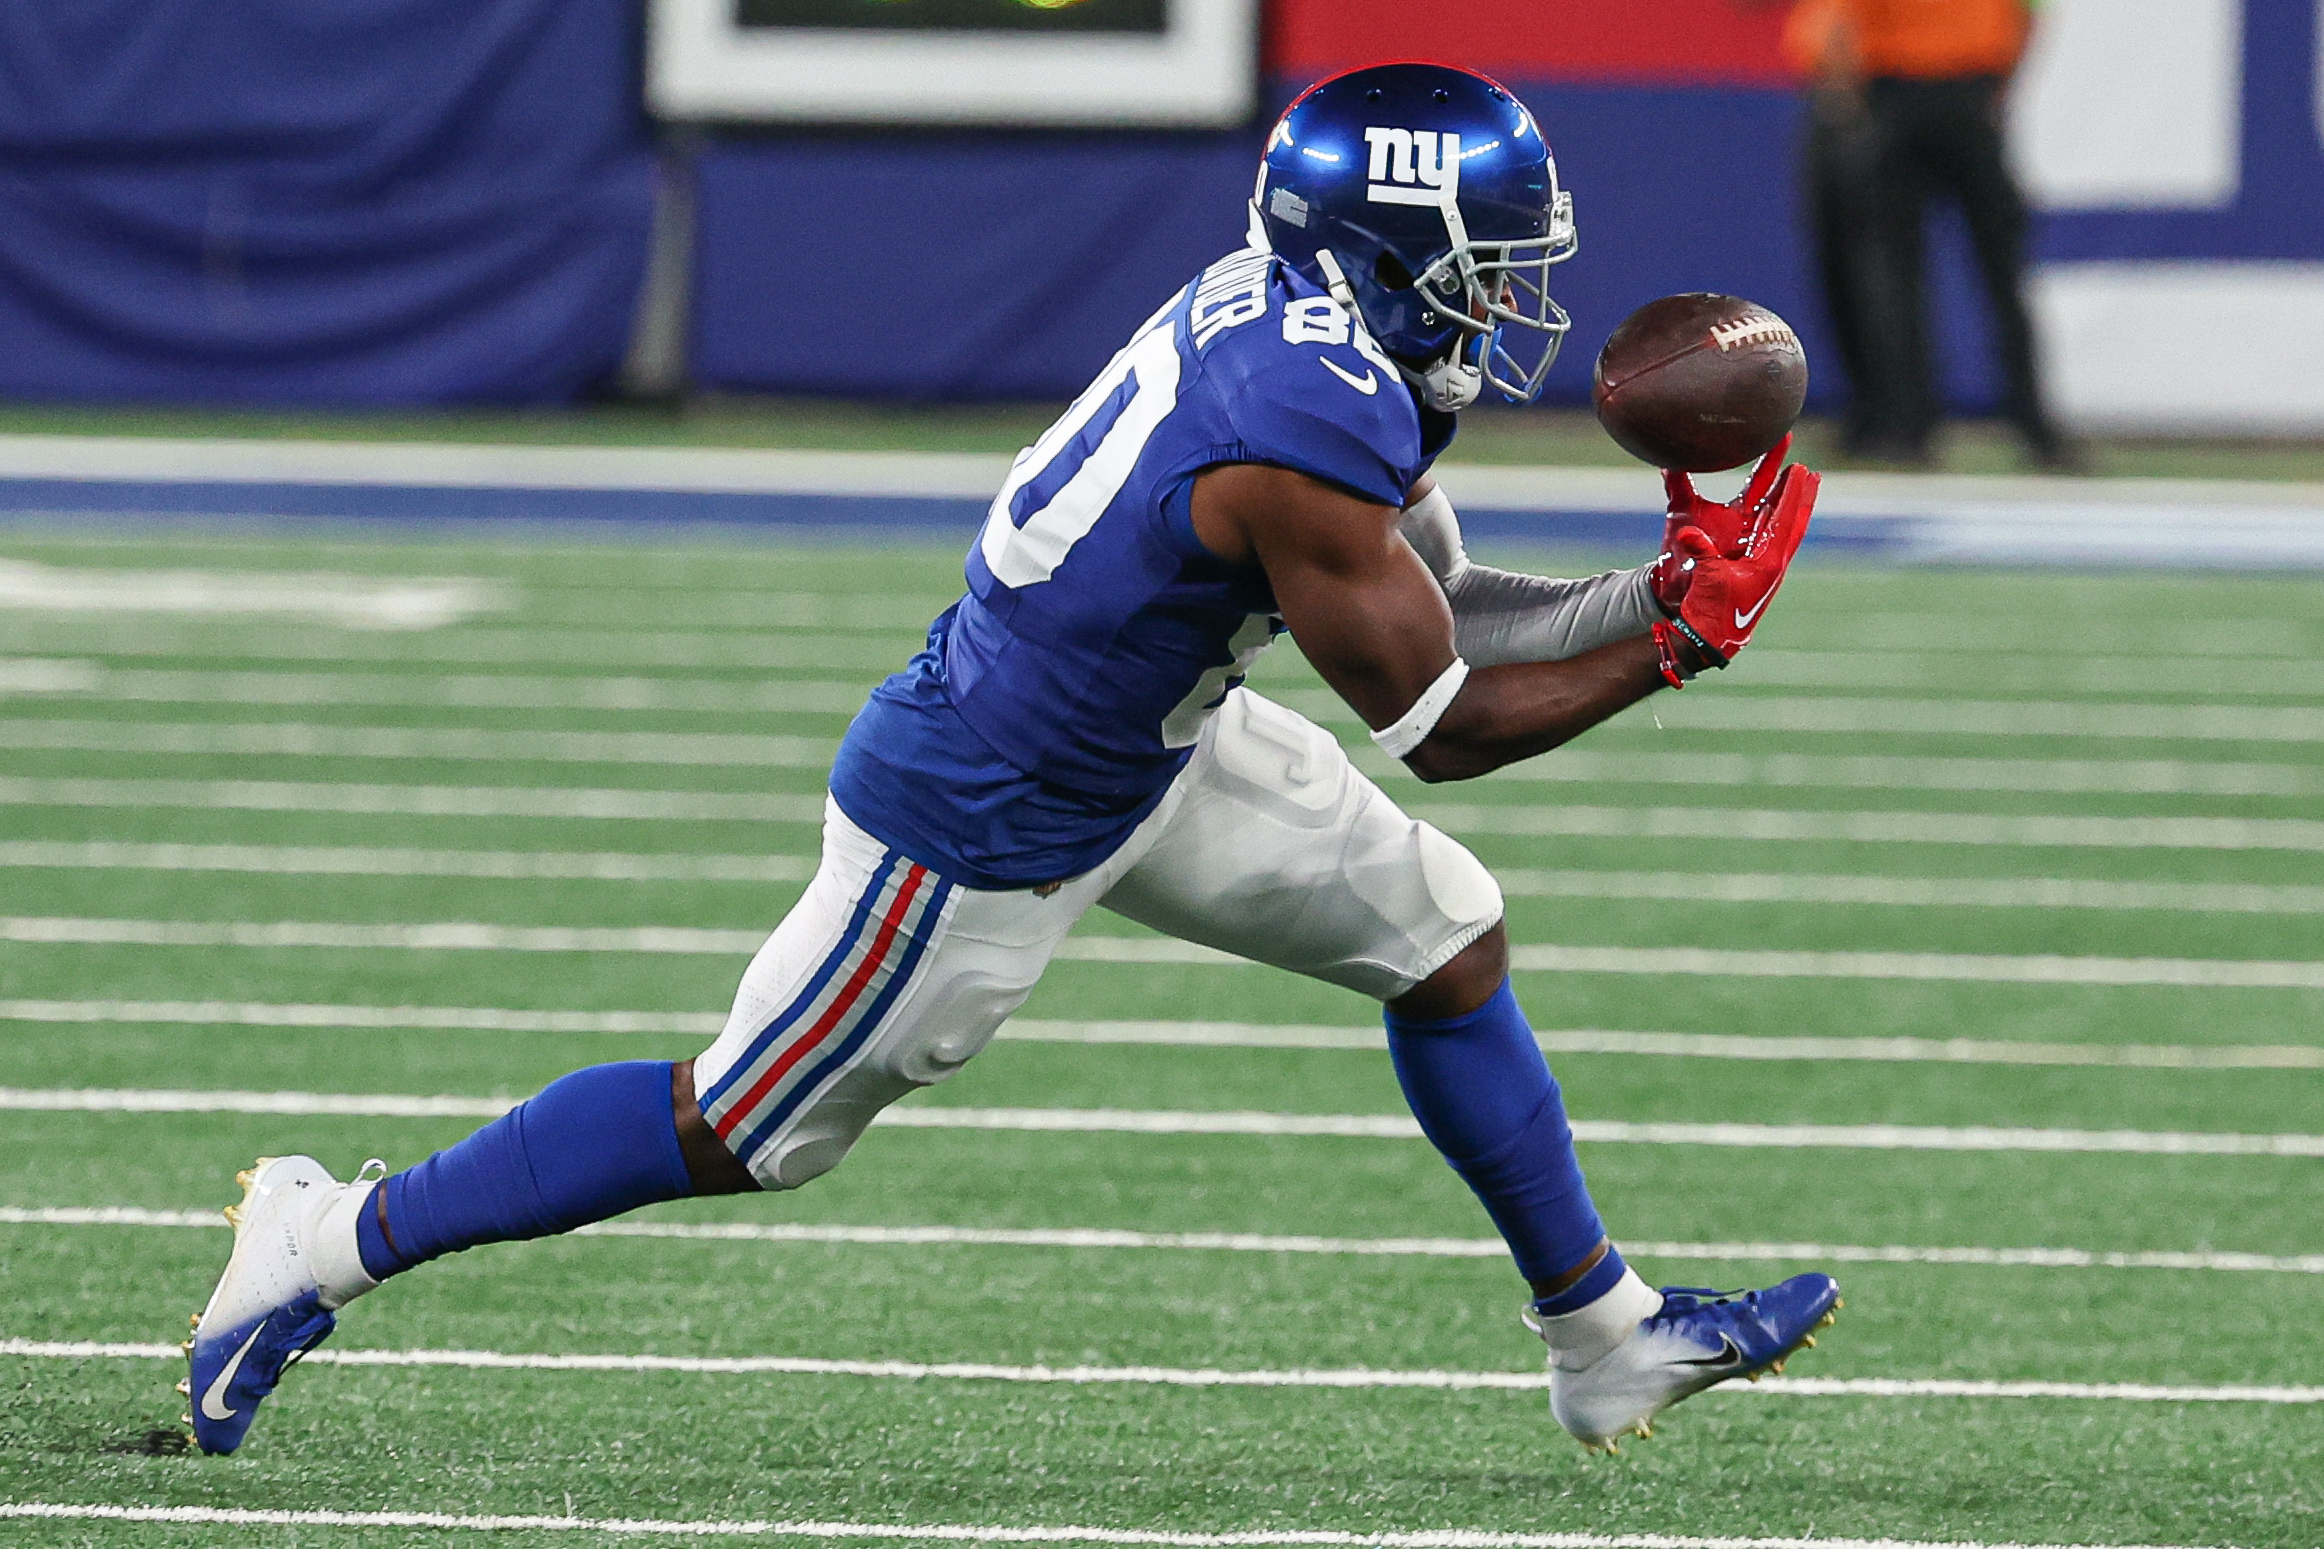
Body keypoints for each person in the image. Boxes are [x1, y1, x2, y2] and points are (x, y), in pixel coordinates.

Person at [181, 62, 1836, 1462]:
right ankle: (319, 1238)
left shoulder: (1333, 344)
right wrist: (1684, 640)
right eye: (1483, 259)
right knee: (743, 1121)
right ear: (1383, 257)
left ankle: (1599, 1333)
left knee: (1441, 933)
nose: (1511, 294)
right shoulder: (1299, 418)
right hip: (989, 804)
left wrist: (1649, 594)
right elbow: (1443, 719)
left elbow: (1447, 603)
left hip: (1149, 736)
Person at [1784, 0, 2076, 468]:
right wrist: (1998, 92)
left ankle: (1907, 428)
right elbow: (2027, 16)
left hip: (1893, 91)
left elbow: (1839, 25)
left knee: (1892, 274)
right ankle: (2035, 427)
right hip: (1969, 93)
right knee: (2000, 274)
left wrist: (1847, 104)